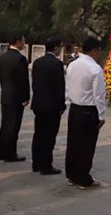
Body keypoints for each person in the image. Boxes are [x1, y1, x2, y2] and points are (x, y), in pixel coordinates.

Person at [65, 36, 106, 189]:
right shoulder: (95, 69)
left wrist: (68, 103)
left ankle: (72, 175)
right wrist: (101, 115)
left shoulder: (72, 65)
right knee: (87, 145)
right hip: (89, 110)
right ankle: (83, 178)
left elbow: (68, 87)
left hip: (75, 109)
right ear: (94, 50)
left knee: (73, 143)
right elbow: (99, 95)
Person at [31, 35, 65, 175]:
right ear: (56, 48)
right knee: (49, 136)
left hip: (39, 104)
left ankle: (36, 163)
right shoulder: (57, 64)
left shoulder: (37, 62)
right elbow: (59, 87)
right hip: (51, 106)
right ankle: (46, 165)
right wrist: (61, 105)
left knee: (38, 134)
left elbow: (34, 83)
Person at [0, 35, 30, 162]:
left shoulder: (3, 57)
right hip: (16, 97)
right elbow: (23, 80)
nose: (24, 44)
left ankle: (2, 150)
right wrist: (25, 96)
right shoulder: (20, 59)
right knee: (13, 125)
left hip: (6, 94)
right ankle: (10, 152)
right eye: (23, 41)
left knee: (5, 124)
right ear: (17, 42)